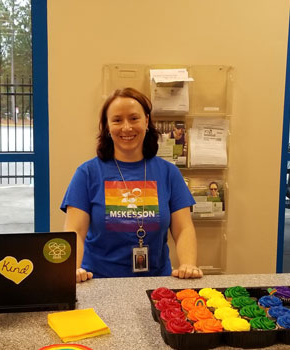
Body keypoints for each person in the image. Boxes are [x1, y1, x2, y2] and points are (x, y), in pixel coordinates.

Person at [61, 87, 203, 282]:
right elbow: (75, 231)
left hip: (156, 283)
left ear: (146, 121)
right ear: (107, 127)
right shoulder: (87, 174)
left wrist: (188, 264)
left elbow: (183, 228)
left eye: (134, 118)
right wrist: (72, 269)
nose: (126, 127)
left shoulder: (169, 173)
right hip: (98, 281)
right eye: (117, 120)